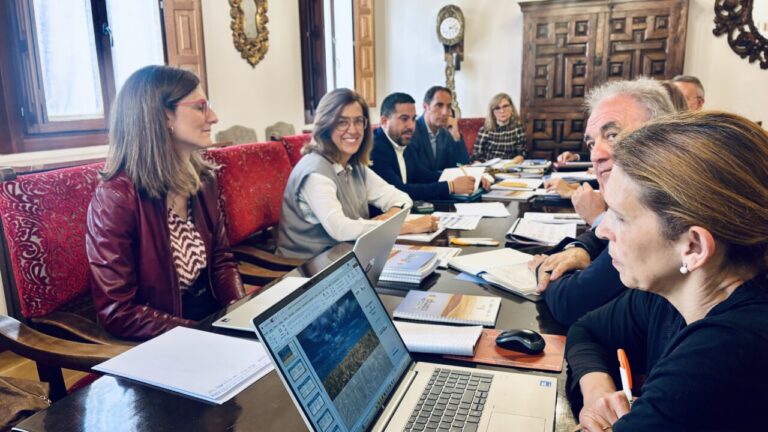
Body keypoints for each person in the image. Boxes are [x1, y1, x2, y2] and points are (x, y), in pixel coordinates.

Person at [567, 111, 768, 431]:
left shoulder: (722, 354)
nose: (602, 231)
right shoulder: (675, 290)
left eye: (619, 216)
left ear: (693, 247)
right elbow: (586, 330)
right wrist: (597, 395)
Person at [86, 65, 244, 340]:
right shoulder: (117, 197)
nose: (214, 117)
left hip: (209, 323)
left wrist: (240, 313)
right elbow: (118, 311)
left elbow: (222, 261)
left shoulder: (203, 180)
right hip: (160, 338)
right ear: (163, 116)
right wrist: (203, 336)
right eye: (201, 107)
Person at [528, 77, 675, 326]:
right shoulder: (635, 201)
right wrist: (581, 248)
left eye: (612, 135)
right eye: (592, 142)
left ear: (663, 134)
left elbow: (571, 302)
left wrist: (543, 268)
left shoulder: (663, 211)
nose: (596, 154)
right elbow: (604, 228)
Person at [275, 88, 437, 259]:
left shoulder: (354, 166)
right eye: (342, 122)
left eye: (358, 121)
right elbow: (341, 229)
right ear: (325, 125)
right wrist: (407, 226)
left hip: (345, 259)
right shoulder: (315, 173)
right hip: (305, 269)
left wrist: (386, 219)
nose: (353, 130)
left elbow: (402, 199)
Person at [370, 92, 477, 200]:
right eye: (404, 119)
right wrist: (450, 186)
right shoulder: (374, 149)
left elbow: (425, 176)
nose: (411, 126)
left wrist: (470, 178)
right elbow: (398, 191)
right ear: (384, 121)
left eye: (413, 119)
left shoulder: (404, 143)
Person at [409, 86, 470, 174]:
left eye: (448, 106)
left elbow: (461, 164)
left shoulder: (446, 133)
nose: (445, 112)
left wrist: (456, 136)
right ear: (426, 107)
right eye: (439, 105)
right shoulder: (412, 131)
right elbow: (417, 173)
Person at [470, 93, 526, 163]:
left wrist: (512, 163)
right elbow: (476, 156)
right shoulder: (485, 130)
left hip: (509, 167)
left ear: (511, 108)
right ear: (492, 112)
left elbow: (521, 153)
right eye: (497, 108)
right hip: (488, 167)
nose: (502, 111)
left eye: (505, 106)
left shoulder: (518, 128)